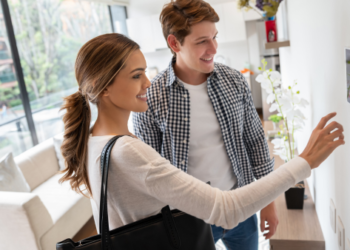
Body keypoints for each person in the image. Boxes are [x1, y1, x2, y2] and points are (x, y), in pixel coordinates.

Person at [59, 34, 344, 242]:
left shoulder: (93, 140)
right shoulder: (128, 152)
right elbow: (225, 209)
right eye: (136, 76)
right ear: (102, 88)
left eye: (144, 72)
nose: (147, 83)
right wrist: (304, 161)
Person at [132, 0, 278, 248]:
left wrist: (268, 203)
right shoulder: (151, 97)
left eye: (214, 37)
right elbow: (149, 174)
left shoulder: (233, 80)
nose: (214, 48)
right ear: (174, 43)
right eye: (202, 41)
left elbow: (255, 141)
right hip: (188, 218)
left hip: (240, 204)